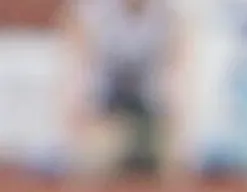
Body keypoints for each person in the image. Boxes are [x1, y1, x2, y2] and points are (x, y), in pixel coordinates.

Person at [56, 0, 188, 179]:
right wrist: (81, 111)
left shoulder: (170, 16)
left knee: (173, 161)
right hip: (106, 105)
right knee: (93, 161)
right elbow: (79, 71)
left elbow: (176, 75)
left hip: (149, 105)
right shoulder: (92, 14)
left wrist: (173, 120)